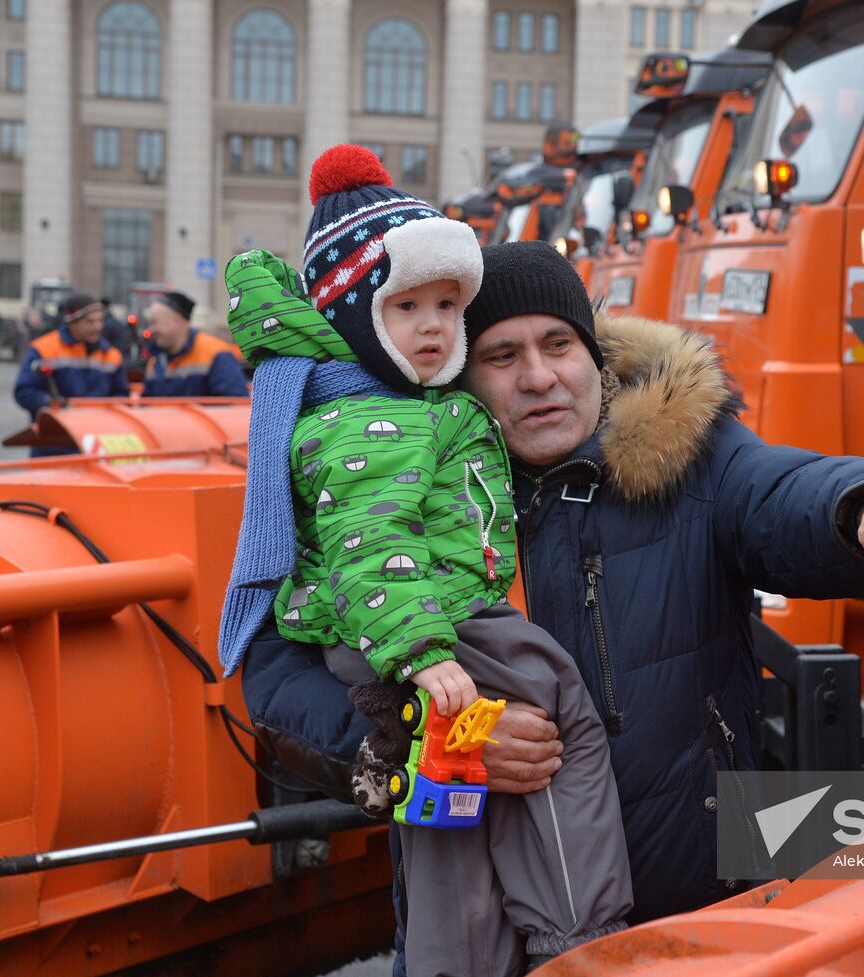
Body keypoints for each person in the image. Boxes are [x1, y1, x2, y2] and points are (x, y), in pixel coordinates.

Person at [239, 242, 864, 951]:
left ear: (592, 355)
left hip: (697, 911)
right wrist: (439, 742)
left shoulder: (692, 458)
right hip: (482, 936)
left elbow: (779, 492)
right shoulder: (390, 492)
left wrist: (859, 510)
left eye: (558, 345)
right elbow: (278, 681)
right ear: (461, 380)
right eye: (502, 355)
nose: (538, 376)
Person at [218, 146, 632, 977]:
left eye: (449, 304)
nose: (435, 325)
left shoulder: (362, 403)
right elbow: (372, 543)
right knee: (555, 715)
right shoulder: (384, 418)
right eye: (408, 305)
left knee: (450, 810)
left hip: (413, 635)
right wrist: (420, 667)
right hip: (431, 628)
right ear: (355, 317)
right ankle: (578, 939)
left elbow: (772, 492)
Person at [13, 291, 130, 456]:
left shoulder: (112, 356)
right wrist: (50, 403)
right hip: (53, 446)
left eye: (100, 321)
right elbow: (24, 391)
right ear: (72, 323)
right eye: (90, 322)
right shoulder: (43, 350)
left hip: (96, 445)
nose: (97, 327)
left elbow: (121, 395)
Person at [142, 290, 250, 397]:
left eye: (154, 322)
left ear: (177, 321)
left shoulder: (217, 354)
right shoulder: (154, 361)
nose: (151, 329)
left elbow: (234, 406)